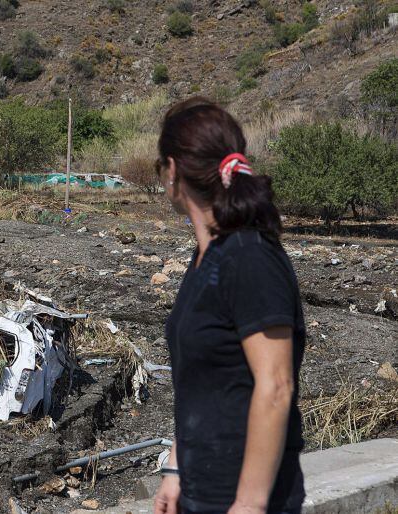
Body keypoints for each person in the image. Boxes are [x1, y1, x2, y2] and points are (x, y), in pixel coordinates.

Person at [152, 98, 306, 514]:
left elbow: (276, 385)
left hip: (245, 499)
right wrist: (176, 466)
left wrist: (250, 503)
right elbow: (203, 381)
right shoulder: (206, 259)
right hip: (201, 491)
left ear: (172, 172)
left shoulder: (250, 256)